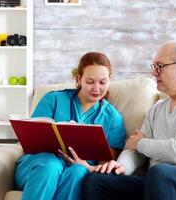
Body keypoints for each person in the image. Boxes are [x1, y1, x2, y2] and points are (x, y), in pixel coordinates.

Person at [82, 41, 176, 200]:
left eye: (160, 66)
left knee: (160, 172)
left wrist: (140, 143)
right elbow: (134, 150)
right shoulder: (157, 109)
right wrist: (121, 167)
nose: (154, 73)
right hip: (158, 182)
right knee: (97, 180)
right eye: (154, 67)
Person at [14, 52, 126, 200]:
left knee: (77, 172)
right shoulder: (52, 99)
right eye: (90, 82)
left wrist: (85, 165)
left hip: (78, 169)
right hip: (39, 164)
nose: (96, 88)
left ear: (109, 80)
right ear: (79, 79)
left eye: (103, 82)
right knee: (51, 165)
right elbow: (29, 140)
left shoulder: (113, 118)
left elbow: (105, 162)